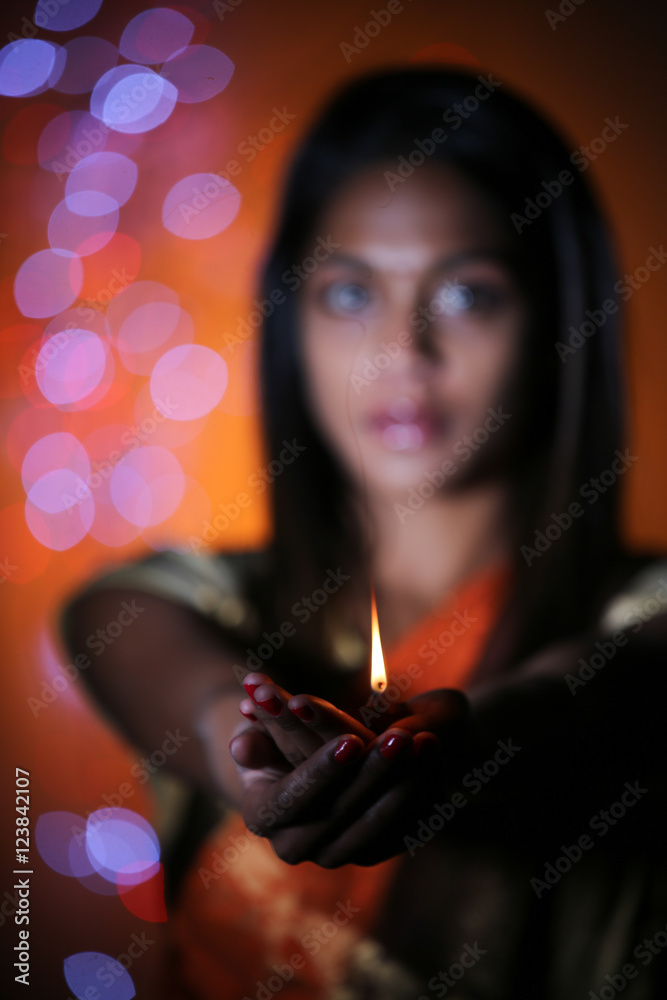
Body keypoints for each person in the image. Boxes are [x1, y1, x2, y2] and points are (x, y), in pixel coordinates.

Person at [60, 66, 667, 999]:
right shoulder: (188, 606)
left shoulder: (645, 623)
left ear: (556, 323)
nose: (401, 349)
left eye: (465, 294)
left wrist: (457, 753)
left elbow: (592, 696)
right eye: (349, 294)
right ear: (290, 323)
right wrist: (249, 752)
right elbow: (151, 659)